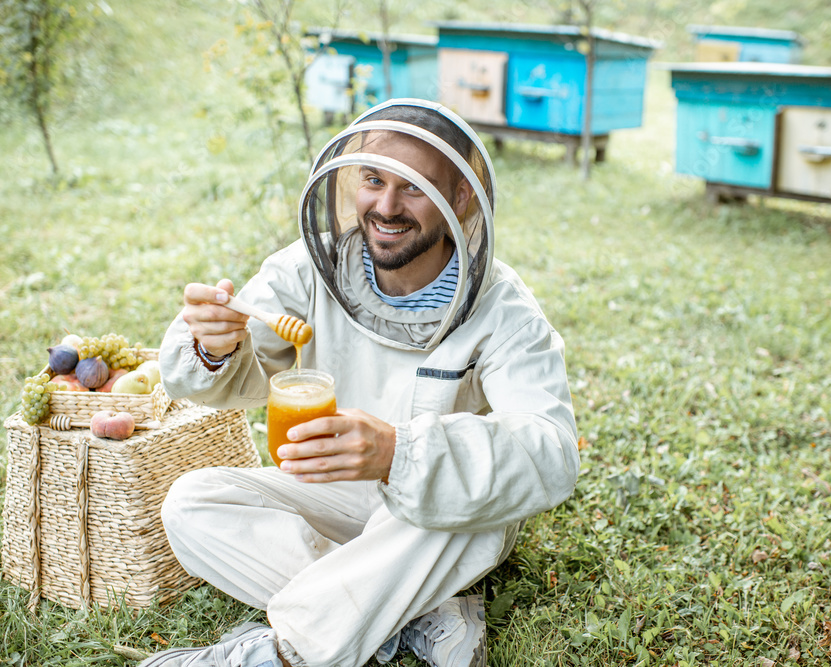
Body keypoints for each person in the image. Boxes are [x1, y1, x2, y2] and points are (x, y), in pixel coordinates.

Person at [145, 99, 579, 667]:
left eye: (415, 187)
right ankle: (415, 612)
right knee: (190, 503)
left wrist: (399, 453)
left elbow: (550, 451)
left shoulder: (502, 307)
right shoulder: (311, 267)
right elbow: (223, 376)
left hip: (429, 511)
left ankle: (280, 654)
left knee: (470, 515)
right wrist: (215, 341)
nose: (386, 206)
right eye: (373, 179)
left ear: (462, 197)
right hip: (334, 490)